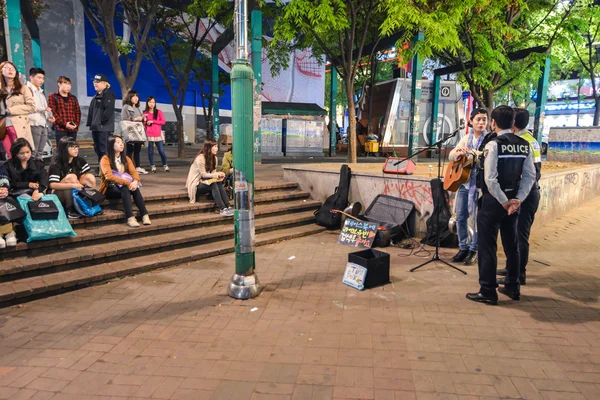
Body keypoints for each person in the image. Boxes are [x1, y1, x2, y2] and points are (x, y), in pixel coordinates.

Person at [466, 105, 536, 305]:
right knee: (511, 244)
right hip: (514, 202)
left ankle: (488, 291)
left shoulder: (493, 145)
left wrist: (504, 202)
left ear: (494, 123)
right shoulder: (525, 145)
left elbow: (490, 179)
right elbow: (530, 177)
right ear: (513, 123)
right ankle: (513, 286)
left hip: (494, 202)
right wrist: (517, 200)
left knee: (487, 246)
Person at [497, 108, 542, 286]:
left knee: (520, 235)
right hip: (530, 192)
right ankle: (512, 269)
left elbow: (530, 174)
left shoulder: (522, 142)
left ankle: (518, 274)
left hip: (526, 193)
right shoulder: (531, 140)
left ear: (513, 123)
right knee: (517, 235)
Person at [449, 108, 489, 265]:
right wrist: (459, 153)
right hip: (464, 184)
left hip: (480, 186)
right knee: (460, 217)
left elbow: (487, 155)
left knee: (476, 221)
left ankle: (474, 249)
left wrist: (473, 153)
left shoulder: (490, 139)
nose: (481, 122)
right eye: (478, 119)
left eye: (484, 119)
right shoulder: (466, 138)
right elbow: (451, 155)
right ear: (471, 121)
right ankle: (463, 247)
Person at [99, 135, 150, 228]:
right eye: (117, 142)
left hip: (124, 187)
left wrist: (135, 181)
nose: (121, 144)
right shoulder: (105, 159)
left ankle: (144, 215)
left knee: (135, 189)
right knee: (125, 188)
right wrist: (127, 183)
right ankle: (130, 218)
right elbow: (109, 177)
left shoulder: (126, 158)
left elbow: (134, 173)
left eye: (121, 142)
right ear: (111, 145)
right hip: (110, 188)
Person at [48, 137, 95, 219]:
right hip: (58, 194)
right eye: (72, 147)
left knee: (90, 177)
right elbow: (52, 185)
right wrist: (73, 185)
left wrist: (78, 184)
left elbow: (84, 177)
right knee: (71, 177)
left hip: (75, 190)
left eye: (76, 147)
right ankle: (69, 210)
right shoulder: (56, 163)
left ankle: (90, 204)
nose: (75, 149)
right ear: (64, 149)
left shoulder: (80, 161)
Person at [185, 140, 233, 216]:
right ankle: (222, 208)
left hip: (207, 182)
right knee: (213, 184)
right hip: (197, 184)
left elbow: (213, 173)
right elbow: (204, 174)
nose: (217, 149)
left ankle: (228, 206)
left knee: (218, 182)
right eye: (215, 147)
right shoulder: (200, 158)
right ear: (209, 148)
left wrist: (219, 175)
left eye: (217, 146)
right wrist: (217, 174)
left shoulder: (215, 158)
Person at [0, 61, 36, 157]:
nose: (10, 69)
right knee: (9, 155)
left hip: (18, 124)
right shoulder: (0, 89)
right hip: (3, 126)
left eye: (12, 68)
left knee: (21, 154)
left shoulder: (23, 88)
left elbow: (31, 106)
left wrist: (11, 110)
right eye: (6, 67)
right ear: (1, 72)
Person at [87, 73, 116, 171]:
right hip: (96, 127)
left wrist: (100, 122)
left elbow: (108, 112)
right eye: (94, 82)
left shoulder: (108, 95)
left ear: (105, 84)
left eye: (98, 82)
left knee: (104, 149)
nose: (95, 84)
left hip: (104, 127)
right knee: (98, 149)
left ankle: (106, 169)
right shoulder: (96, 96)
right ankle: (101, 167)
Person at [27, 68, 55, 161]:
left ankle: (38, 170)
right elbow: (29, 106)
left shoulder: (40, 91)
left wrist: (49, 117)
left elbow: (45, 106)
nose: (41, 80)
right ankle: (31, 171)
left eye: (43, 78)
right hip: (34, 123)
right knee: (33, 151)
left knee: (40, 151)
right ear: (31, 77)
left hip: (43, 123)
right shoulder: (27, 89)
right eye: (39, 78)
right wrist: (43, 108)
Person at [48, 76, 81, 144]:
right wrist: (65, 124)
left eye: (69, 84)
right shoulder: (53, 96)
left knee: (72, 149)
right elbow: (53, 112)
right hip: (60, 128)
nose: (68, 86)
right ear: (59, 84)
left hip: (73, 129)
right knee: (61, 150)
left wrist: (76, 124)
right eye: (65, 83)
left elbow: (78, 112)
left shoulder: (73, 98)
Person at [121, 90, 147, 174]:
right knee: (129, 150)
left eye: (137, 96)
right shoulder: (126, 107)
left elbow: (140, 119)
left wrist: (143, 119)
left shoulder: (138, 108)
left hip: (138, 132)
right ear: (130, 97)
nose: (136, 98)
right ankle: (129, 167)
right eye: (134, 96)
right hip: (130, 132)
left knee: (137, 150)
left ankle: (137, 167)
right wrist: (135, 119)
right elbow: (124, 119)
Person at [143, 96, 169, 173]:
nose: (152, 104)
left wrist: (153, 121)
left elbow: (163, 122)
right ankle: (152, 166)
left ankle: (165, 165)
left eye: (153, 102)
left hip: (158, 134)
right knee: (150, 151)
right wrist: (145, 122)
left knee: (161, 151)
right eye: (150, 102)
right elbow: (144, 124)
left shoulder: (159, 112)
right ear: (147, 103)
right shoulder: (145, 113)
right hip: (149, 134)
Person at [0, 151, 17, 248]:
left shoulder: (1, 164)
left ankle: (9, 232)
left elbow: (4, 179)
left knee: (5, 196)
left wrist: (4, 189)